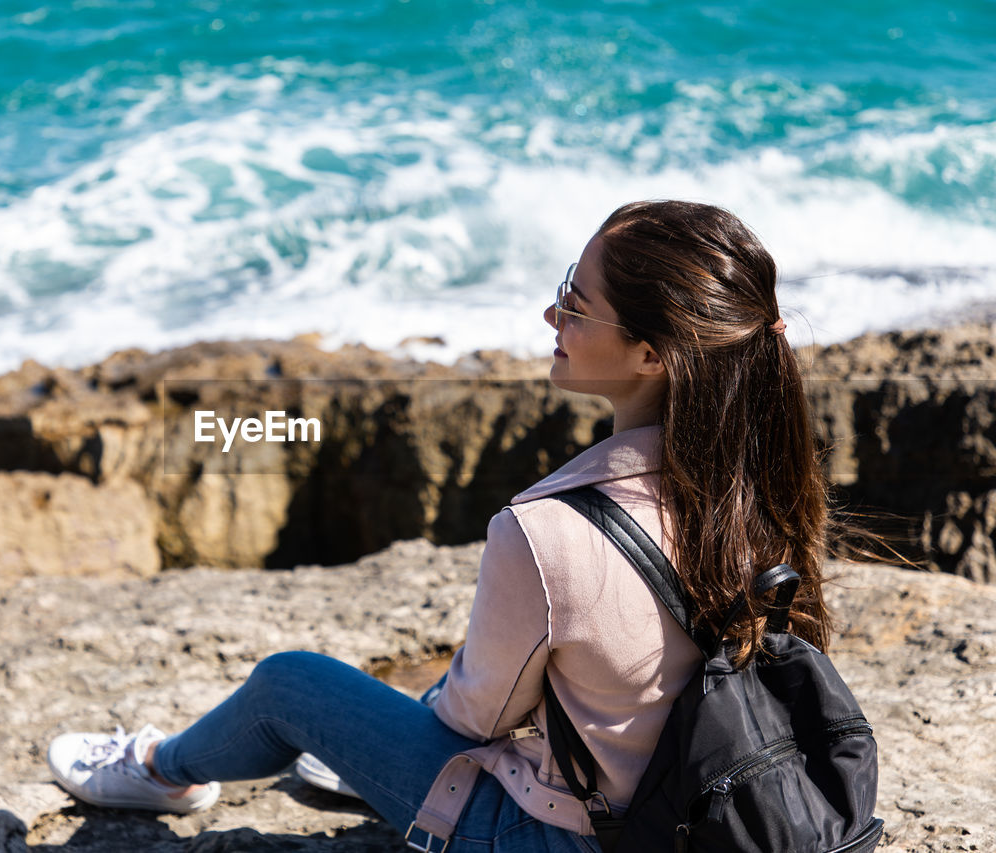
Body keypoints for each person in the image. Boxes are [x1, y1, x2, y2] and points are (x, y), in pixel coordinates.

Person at [46, 200, 833, 852]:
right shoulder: (763, 482)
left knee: (292, 683)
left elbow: (476, 718)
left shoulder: (548, 529)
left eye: (577, 303)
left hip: (575, 837)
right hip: (715, 810)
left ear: (653, 356)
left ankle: (161, 769)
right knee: (491, 667)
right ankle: (350, 760)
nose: (551, 311)